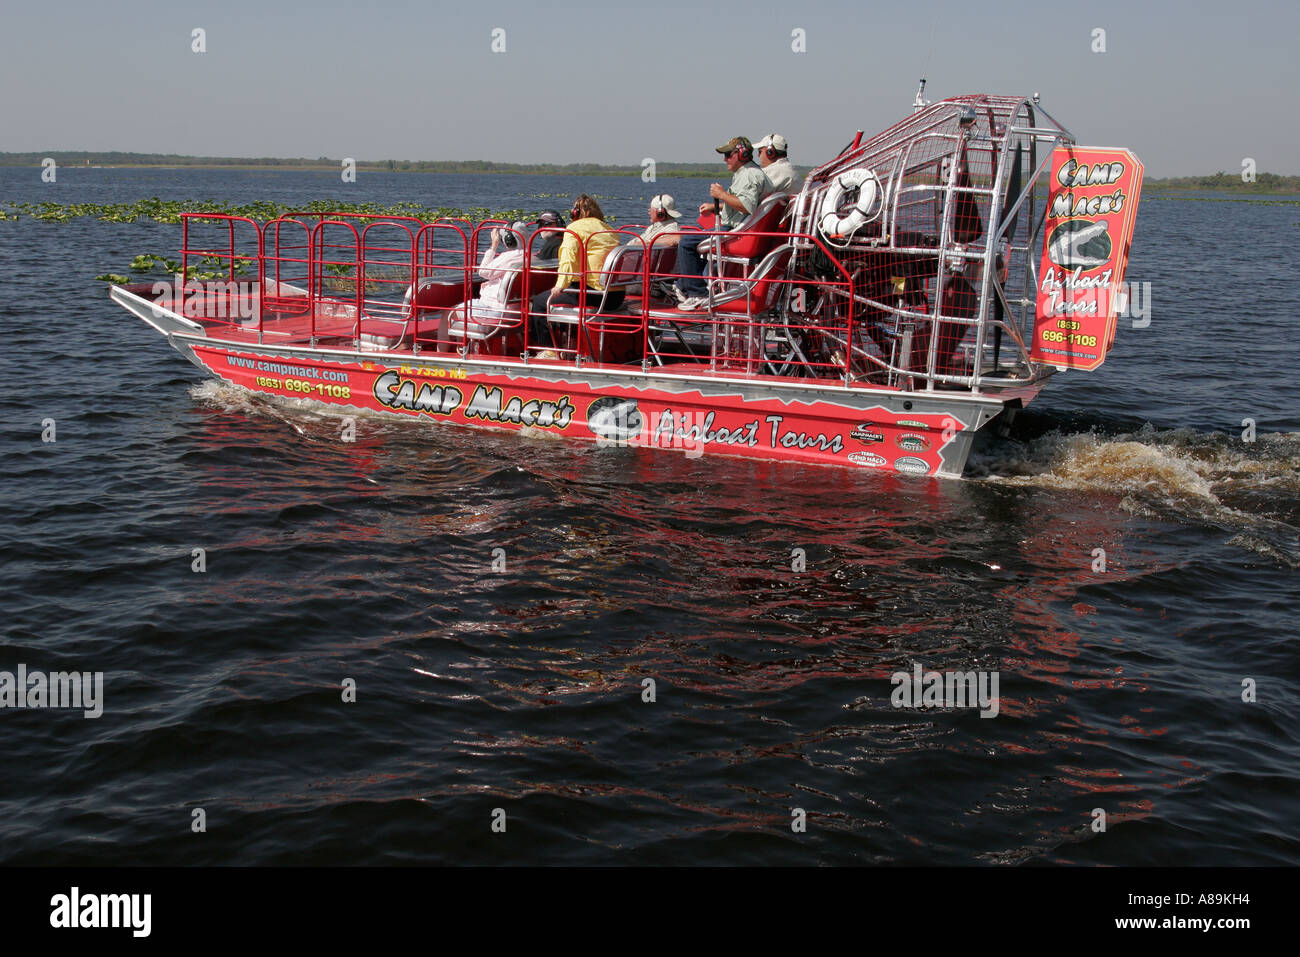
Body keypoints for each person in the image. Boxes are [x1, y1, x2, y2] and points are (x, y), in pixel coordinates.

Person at [673, 136, 772, 302]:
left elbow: (746, 206)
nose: (724, 159)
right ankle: (685, 285)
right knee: (696, 240)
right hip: (743, 228)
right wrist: (716, 206)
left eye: (728, 155)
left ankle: (696, 293)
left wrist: (721, 195)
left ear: (742, 154)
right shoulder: (753, 172)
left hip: (734, 231)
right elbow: (747, 205)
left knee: (686, 243)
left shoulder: (748, 175)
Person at [528, 195, 623, 349]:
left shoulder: (574, 228)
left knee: (539, 303)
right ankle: (570, 343)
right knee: (569, 292)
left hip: (595, 295)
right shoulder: (610, 230)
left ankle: (546, 350)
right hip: (615, 296)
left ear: (575, 213)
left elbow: (568, 258)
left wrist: (560, 285)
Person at [444, 221, 530, 333]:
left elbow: (483, 271)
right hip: (519, 310)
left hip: (497, 310)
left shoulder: (508, 257)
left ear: (508, 240)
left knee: (448, 313)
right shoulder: (532, 257)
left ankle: (443, 349)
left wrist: (493, 246)